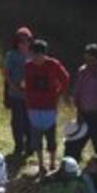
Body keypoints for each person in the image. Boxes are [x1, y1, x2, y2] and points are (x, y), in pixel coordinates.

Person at [24, 40, 70, 173]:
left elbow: (66, 78)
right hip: (33, 107)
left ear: (43, 54)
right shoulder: (28, 66)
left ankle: (52, 163)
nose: (35, 59)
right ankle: (40, 164)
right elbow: (25, 84)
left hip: (49, 107)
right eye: (33, 55)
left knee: (51, 137)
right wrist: (27, 99)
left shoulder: (53, 64)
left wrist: (59, 93)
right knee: (36, 138)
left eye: (38, 56)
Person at [2, 27, 33, 158]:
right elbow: (6, 73)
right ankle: (18, 146)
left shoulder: (32, 55)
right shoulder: (11, 55)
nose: (24, 43)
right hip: (15, 93)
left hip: (30, 95)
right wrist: (12, 86)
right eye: (21, 41)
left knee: (29, 121)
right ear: (17, 42)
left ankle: (30, 146)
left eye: (26, 40)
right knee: (17, 121)